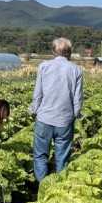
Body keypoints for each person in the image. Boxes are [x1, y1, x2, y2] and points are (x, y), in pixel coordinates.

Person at [30, 37, 84, 182]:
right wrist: (76, 114)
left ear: (53, 51)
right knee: (62, 157)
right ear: (70, 52)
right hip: (65, 120)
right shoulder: (76, 69)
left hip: (44, 118)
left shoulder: (44, 66)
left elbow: (38, 93)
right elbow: (78, 98)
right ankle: (60, 186)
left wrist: (34, 110)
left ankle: (42, 186)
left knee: (40, 155)